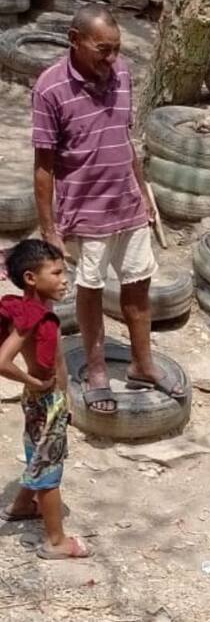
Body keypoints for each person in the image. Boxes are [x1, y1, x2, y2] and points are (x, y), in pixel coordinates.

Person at [31, 5, 184, 415]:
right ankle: (96, 369)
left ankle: (142, 363)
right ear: (73, 40)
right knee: (91, 290)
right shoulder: (50, 88)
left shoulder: (123, 76)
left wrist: (142, 192)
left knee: (138, 287)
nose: (112, 59)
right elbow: (44, 165)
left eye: (116, 49)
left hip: (128, 205)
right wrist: (49, 229)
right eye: (103, 50)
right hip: (86, 210)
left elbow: (124, 139)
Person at [0, 239, 90, 559]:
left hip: (50, 399)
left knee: (39, 453)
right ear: (30, 278)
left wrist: (67, 398)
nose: (64, 279)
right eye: (56, 272)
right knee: (50, 470)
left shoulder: (41, 310)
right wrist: (32, 380)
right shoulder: (30, 317)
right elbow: (2, 361)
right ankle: (56, 541)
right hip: (44, 399)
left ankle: (23, 505)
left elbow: (58, 358)